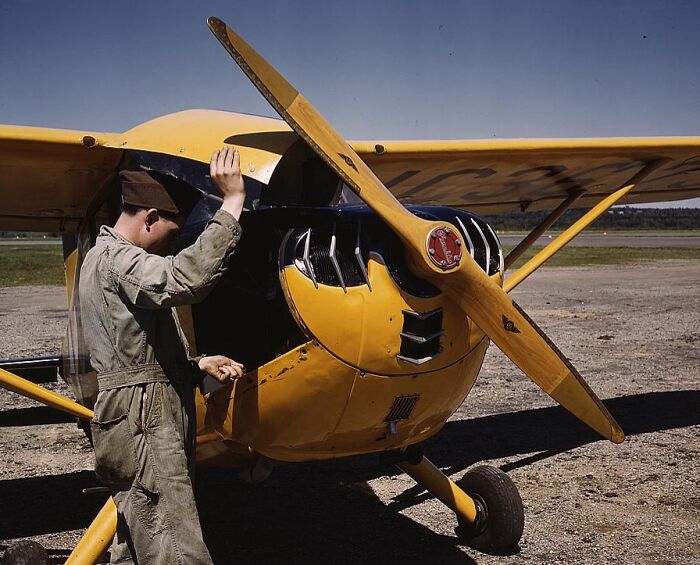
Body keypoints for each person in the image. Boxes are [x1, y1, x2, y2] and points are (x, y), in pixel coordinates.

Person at [79, 146, 246, 564]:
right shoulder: (119, 260)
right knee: (174, 546)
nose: (171, 245)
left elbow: (134, 348)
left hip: (139, 410)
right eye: (172, 233)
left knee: (143, 537)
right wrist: (232, 203)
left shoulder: (108, 261)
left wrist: (195, 366)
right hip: (143, 417)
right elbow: (181, 279)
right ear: (150, 217)